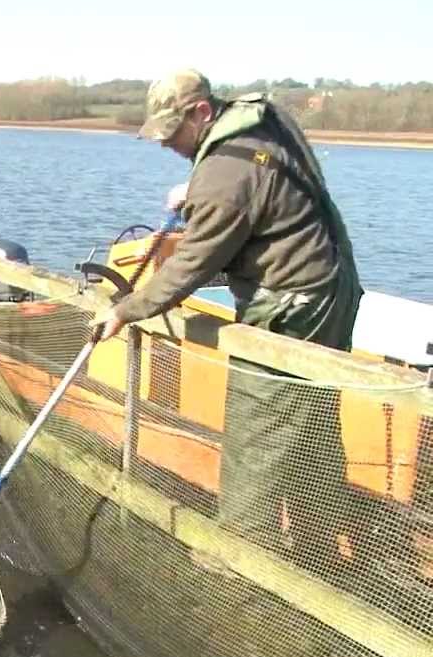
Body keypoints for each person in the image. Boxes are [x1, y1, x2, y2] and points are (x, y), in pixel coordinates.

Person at [92, 68, 364, 573]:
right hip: (332, 286)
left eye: (174, 134)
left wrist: (125, 310)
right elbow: (257, 188)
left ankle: (242, 549)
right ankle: (322, 544)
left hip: (291, 302)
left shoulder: (226, 173)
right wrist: (195, 190)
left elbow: (190, 265)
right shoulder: (259, 124)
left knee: (256, 424)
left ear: (200, 113)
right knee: (311, 425)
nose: (168, 144)